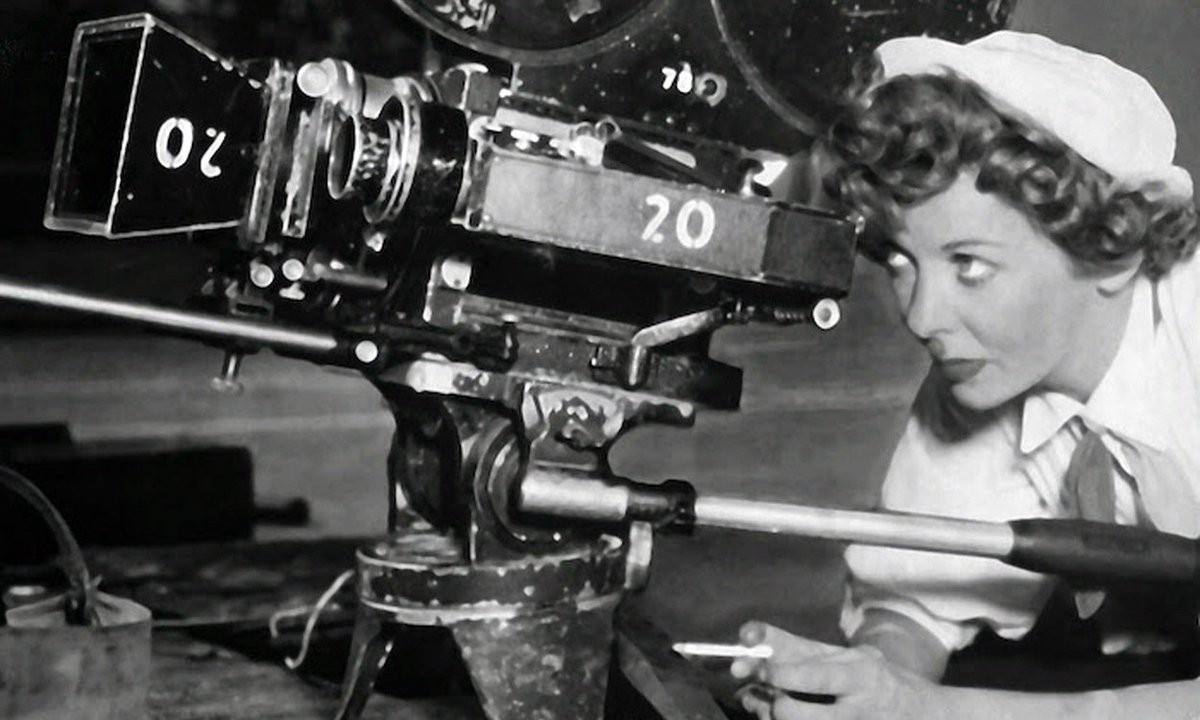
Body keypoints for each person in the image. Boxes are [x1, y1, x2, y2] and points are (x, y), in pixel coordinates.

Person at [731, 30, 1200, 719]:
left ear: (1114, 245)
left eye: (969, 264)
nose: (922, 316)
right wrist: (865, 682)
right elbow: (916, 605)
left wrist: (934, 712)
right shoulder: (989, 375)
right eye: (900, 259)